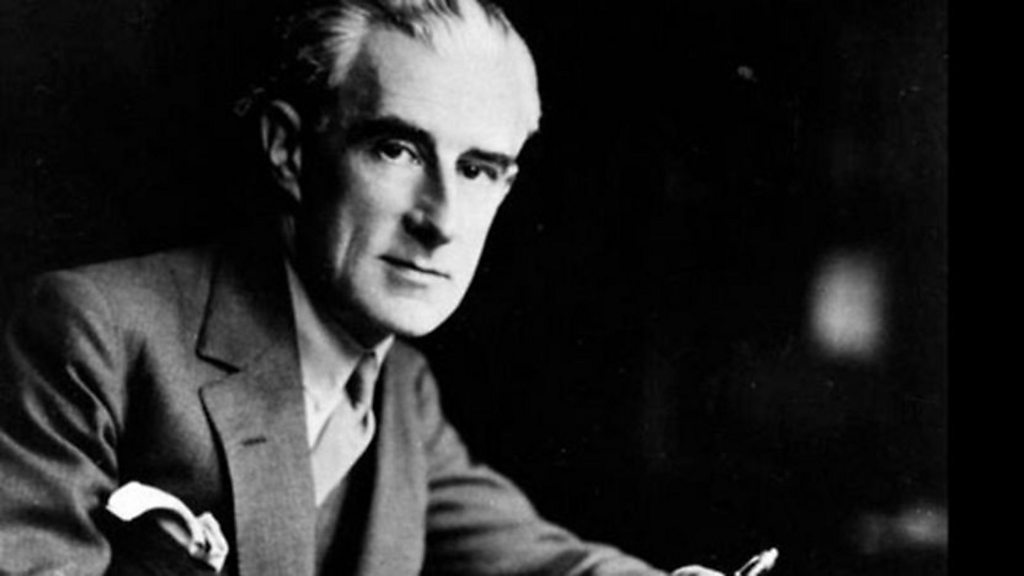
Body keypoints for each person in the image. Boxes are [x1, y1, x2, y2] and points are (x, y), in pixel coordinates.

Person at [0, 1, 726, 574]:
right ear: (289, 150)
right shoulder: (92, 333)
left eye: (478, 170)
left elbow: (538, 559)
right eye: (397, 149)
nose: (441, 222)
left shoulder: (401, 390)